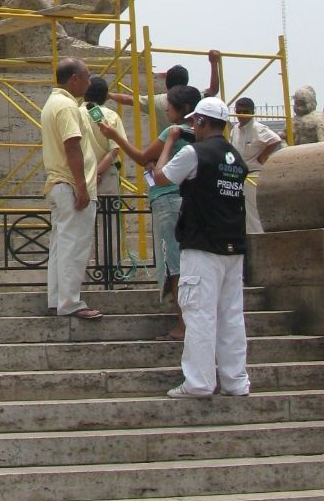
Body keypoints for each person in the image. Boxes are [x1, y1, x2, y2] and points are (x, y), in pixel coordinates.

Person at [159, 96, 250, 398]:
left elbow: (162, 177)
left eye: (193, 122)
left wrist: (168, 144)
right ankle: (235, 381)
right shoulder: (236, 158)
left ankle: (198, 382)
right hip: (233, 246)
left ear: (200, 121)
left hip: (201, 245)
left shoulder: (194, 153)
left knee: (198, 314)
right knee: (231, 316)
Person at [115, 83, 201, 339]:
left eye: (170, 104)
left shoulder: (173, 132)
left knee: (173, 264)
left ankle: (183, 324)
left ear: (183, 108)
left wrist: (116, 137)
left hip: (167, 200)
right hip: (189, 201)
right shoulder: (199, 133)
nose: (166, 107)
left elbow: (144, 158)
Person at [41, 58, 101, 321]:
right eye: (87, 77)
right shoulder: (66, 106)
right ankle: (70, 302)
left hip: (60, 184)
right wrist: (82, 186)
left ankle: (57, 299)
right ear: (74, 79)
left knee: (61, 246)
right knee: (74, 247)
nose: (90, 83)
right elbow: (72, 146)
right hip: (70, 184)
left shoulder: (55, 103)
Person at [230, 96, 284, 234]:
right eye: (239, 111)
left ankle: (259, 241)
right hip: (238, 176)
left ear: (252, 112)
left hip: (253, 175)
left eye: (245, 112)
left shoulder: (258, 128)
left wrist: (263, 156)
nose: (241, 115)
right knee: (242, 214)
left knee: (254, 215)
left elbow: (275, 139)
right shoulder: (234, 129)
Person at [83, 75, 129, 198]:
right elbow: (115, 149)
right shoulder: (112, 116)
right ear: (105, 95)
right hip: (106, 176)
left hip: (81, 174)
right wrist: (97, 172)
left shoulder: (75, 113)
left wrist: (91, 174)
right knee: (108, 215)